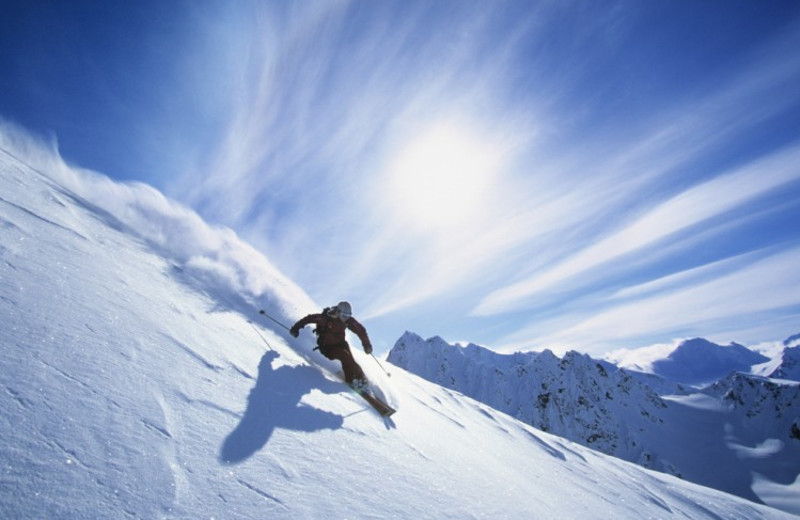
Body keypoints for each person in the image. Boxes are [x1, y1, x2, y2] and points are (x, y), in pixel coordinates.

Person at [290, 301, 373, 389]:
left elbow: (361, 330)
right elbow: (309, 318)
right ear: (338, 312)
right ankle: (351, 380)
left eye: (348, 316)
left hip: (341, 344)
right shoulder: (325, 318)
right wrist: (295, 328)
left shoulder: (347, 321)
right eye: (344, 316)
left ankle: (362, 379)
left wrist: (367, 345)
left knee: (350, 359)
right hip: (327, 347)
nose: (346, 318)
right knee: (345, 356)